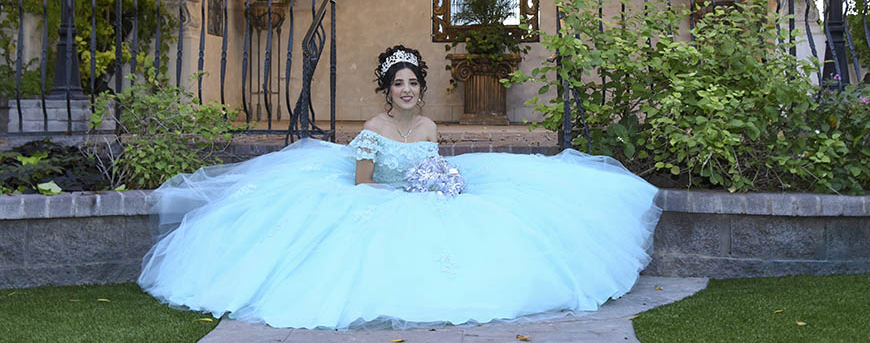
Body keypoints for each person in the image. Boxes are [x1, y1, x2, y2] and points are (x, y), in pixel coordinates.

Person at [138, 45, 661, 330]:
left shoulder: (431, 128)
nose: (407, 91)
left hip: (420, 197)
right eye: (398, 84)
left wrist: (439, 183)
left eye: (413, 83)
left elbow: (428, 167)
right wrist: (410, 194)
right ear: (386, 91)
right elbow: (362, 186)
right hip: (377, 199)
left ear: (420, 89)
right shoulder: (372, 130)